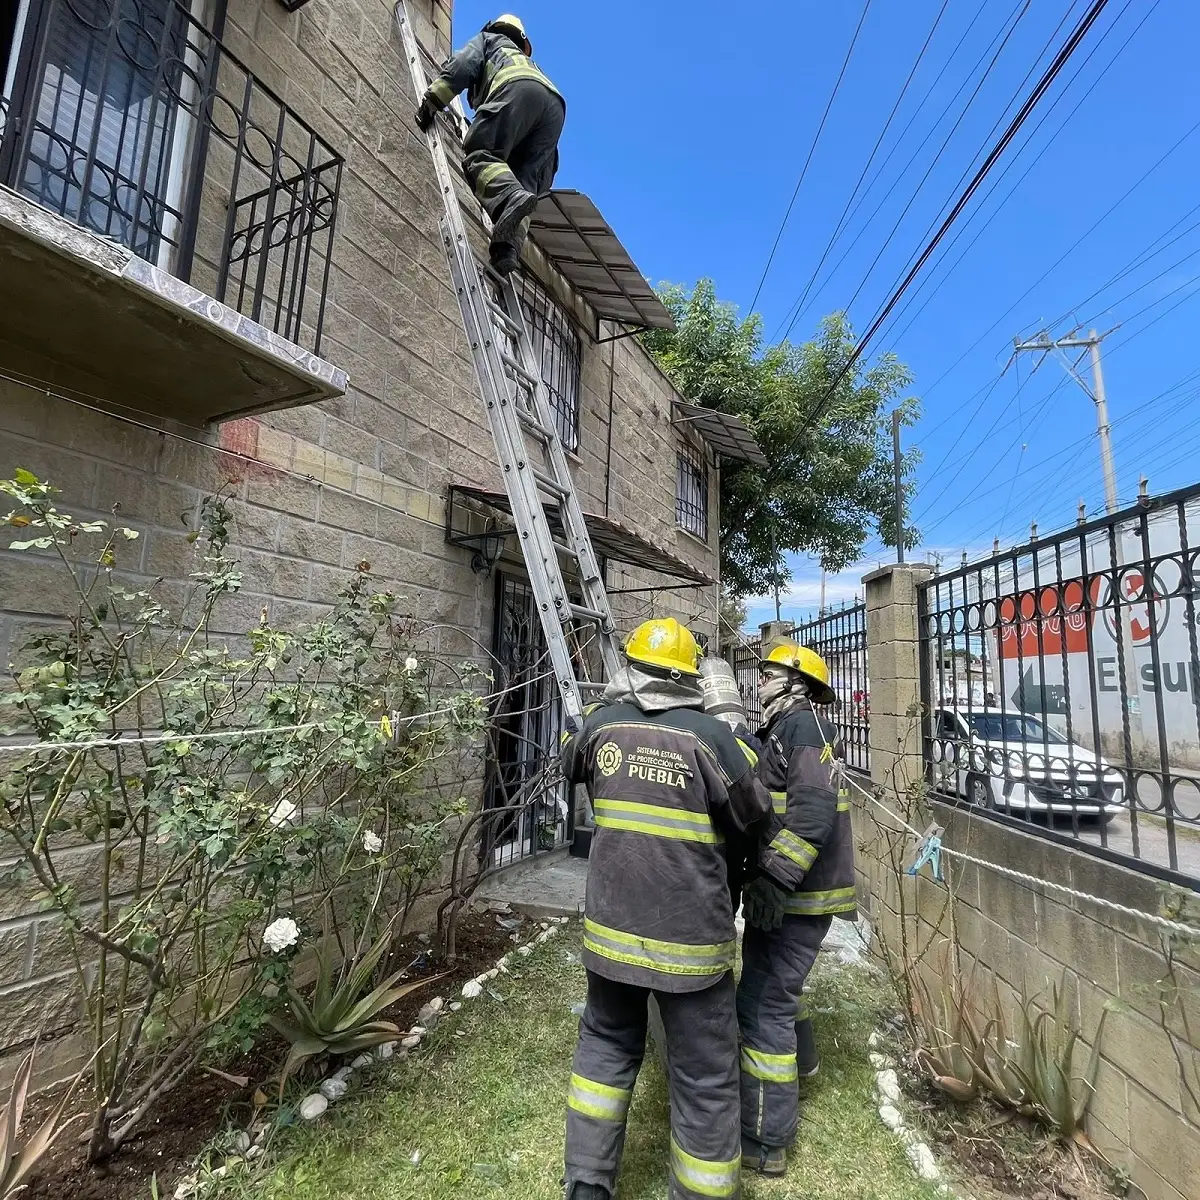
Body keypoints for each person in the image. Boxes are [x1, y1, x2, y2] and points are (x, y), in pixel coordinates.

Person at [560, 619, 771, 1200]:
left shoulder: (601, 726)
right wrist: (734, 732)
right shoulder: (713, 738)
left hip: (609, 932)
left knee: (605, 1046)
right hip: (691, 943)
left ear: (629, 668)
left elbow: (571, 764)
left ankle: (586, 1184)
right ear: (692, 677)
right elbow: (753, 819)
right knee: (703, 1074)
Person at [737, 643, 857, 1178]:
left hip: (797, 895)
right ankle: (803, 1068)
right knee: (780, 989)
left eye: (769, 675)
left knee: (764, 1005)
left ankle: (765, 1139)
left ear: (796, 683)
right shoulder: (787, 730)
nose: (760, 681)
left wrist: (773, 881)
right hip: (797, 893)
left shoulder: (804, 729)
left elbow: (810, 814)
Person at [415, 13, 564, 275]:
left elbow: (462, 65)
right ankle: (506, 249)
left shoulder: (489, 40)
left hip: (516, 89)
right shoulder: (530, 63)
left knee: (480, 153)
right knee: (524, 183)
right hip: (554, 107)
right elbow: (541, 174)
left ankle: (509, 199)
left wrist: (432, 101)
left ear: (495, 28)